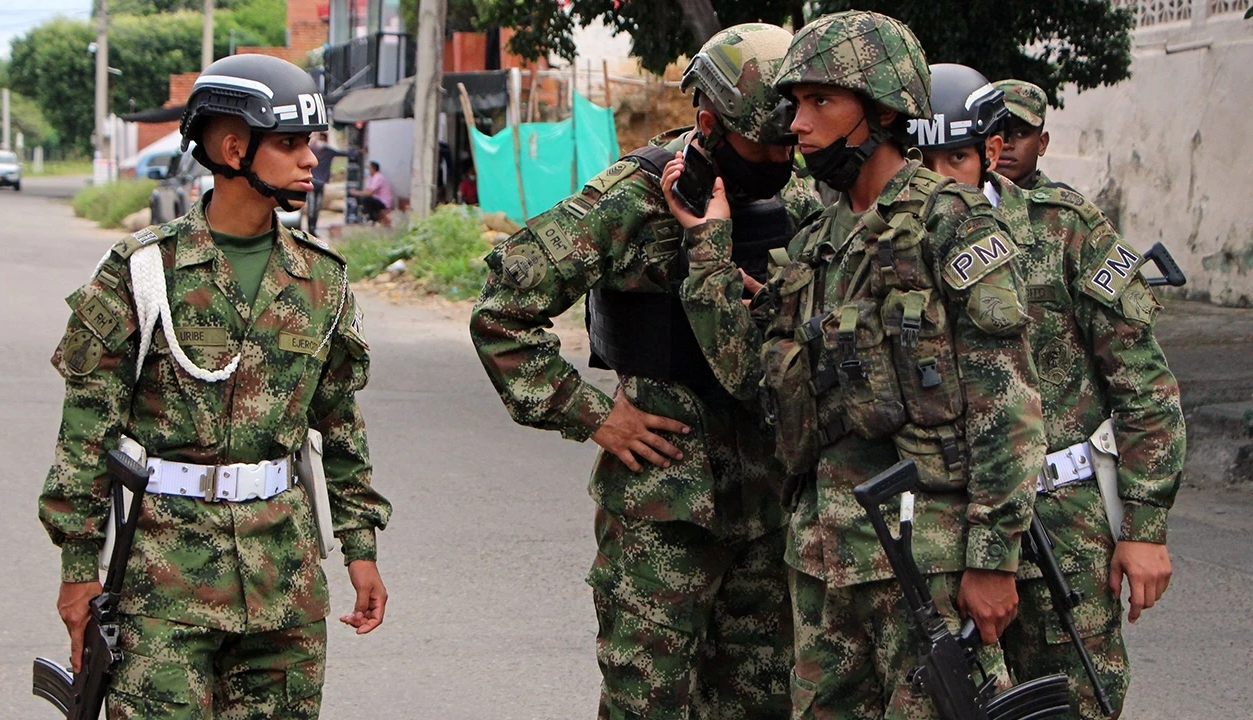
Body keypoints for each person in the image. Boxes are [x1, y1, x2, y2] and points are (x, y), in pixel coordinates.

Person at [673, 11, 1048, 718]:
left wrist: (993, 558)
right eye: (795, 104)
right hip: (821, 558)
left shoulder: (955, 222)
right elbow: (755, 379)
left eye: (821, 102)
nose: (798, 125)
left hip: (925, 561)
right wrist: (707, 249)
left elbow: (1008, 407)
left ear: (880, 111)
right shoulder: (817, 234)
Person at [470, 23, 824, 720]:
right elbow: (502, 313)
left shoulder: (803, 202)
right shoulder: (630, 200)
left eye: (792, 142)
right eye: (765, 143)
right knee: (648, 703)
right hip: (664, 507)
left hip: (767, 500)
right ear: (709, 122)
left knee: (762, 703)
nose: (782, 157)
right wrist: (596, 415)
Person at [39, 54, 392, 718]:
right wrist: (77, 572)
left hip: (284, 582)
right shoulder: (143, 272)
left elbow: (341, 426)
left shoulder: (323, 280)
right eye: (290, 143)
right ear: (235, 147)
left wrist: (360, 548)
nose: (311, 160)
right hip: (163, 586)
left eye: (310, 143)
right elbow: (85, 435)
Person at [907, 62, 1186, 719]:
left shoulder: (1062, 226)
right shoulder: (889, 245)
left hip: (1061, 523)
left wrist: (1145, 526)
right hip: (944, 527)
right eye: (920, 161)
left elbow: (1142, 380)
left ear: (992, 151)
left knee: (1078, 701)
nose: (937, 182)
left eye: (954, 159)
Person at [992, 79, 1055, 190]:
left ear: (1042, 143)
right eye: (996, 131)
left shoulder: (1063, 206)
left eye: (1021, 133)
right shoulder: (960, 201)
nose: (1006, 144)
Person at [307, 132, 353, 236]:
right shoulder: (312, 150)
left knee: (317, 207)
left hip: (321, 183)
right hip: (311, 182)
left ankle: (313, 228)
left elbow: (343, 154)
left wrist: (359, 152)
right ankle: (310, 228)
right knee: (311, 207)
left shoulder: (328, 152)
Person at [349, 160, 394, 227]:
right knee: (360, 198)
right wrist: (357, 194)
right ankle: (362, 215)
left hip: (383, 202)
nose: (367, 170)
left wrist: (356, 192)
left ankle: (372, 219)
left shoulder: (379, 177)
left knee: (367, 199)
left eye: (368, 168)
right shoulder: (370, 178)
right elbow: (366, 191)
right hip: (376, 200)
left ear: (373, 169)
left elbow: (370, 192)